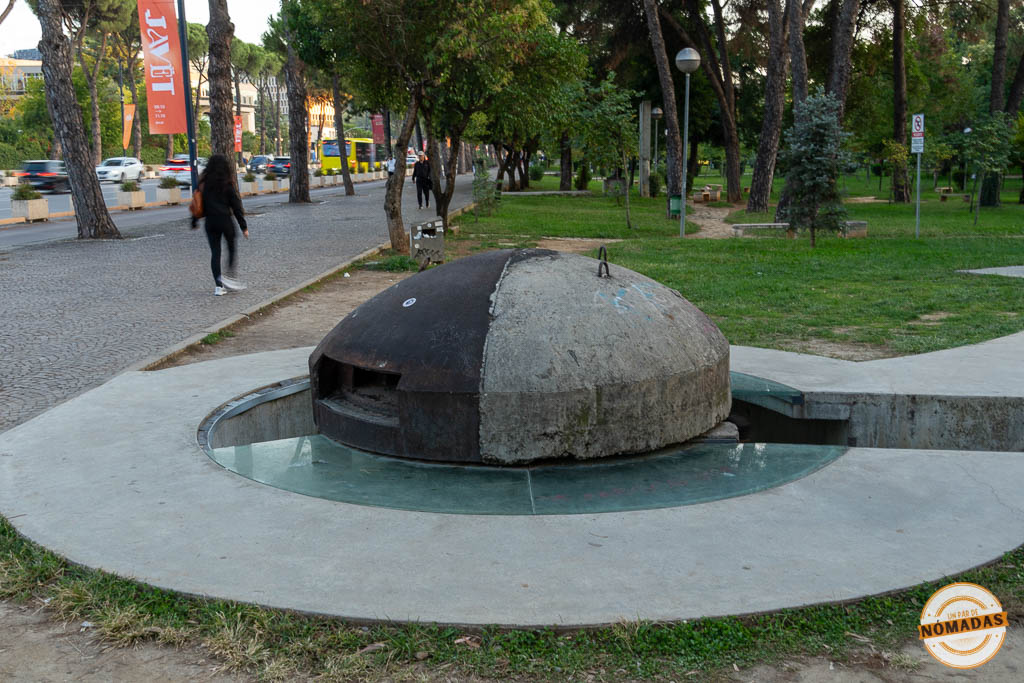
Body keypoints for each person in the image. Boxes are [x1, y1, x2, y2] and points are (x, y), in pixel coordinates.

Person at [191, 154, 249, 296]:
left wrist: (194, 221)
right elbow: (236, 207)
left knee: (215, 253)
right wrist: (244, 227)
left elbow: (197, 203)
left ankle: (218, 286)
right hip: (225, 221)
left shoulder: (203, 183)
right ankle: (229, 277)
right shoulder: (227, 184)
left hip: (210, 223)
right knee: (231, 248)